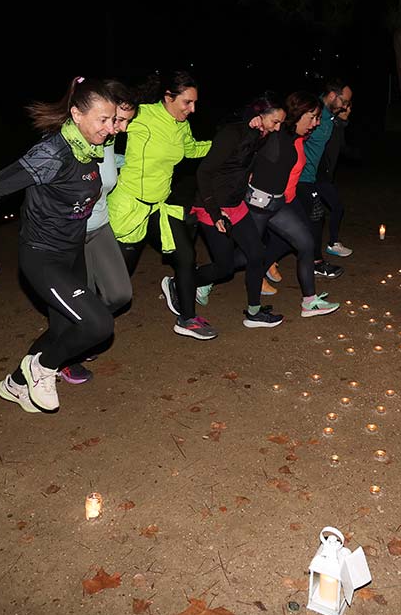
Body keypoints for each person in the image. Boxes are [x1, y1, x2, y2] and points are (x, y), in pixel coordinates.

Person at [0, 77, 116, 413]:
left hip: (72, 253)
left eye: (112, 120)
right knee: (98, 324)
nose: (111, 128)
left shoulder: (90, 148)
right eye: (103, 120)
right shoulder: (53, 153)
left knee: (61, 330)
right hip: (42, 256)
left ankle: (15, 384)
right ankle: (41, 368)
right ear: (76, 115)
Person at [107, 71, 216, 340]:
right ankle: (85, 329)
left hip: (158, 207)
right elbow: (106, 123)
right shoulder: (141, 115)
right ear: (168, 97)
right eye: (187, 102)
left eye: (194, 103)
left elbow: (191, 150)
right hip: (129, 208)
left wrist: (225, 144)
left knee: (186, 257)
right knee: (117, 283)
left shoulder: (181, 125)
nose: (192, 109)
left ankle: (188, 318)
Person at [58, 80, 139, 384]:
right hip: (73, 232)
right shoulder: (73, 142)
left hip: (100, 226)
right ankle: (64, 352)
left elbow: (106, 172)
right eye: (117, 119)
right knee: (82, 296)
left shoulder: (109, 138)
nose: (121, 128)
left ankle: (84, 328)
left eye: (126, 121)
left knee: (120, 294)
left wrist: (123, 161)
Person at [190, 95, 286, 328]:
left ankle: (254, 312)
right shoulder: (231, 134)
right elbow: (203, 173)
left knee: (256, 254)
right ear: (260, 116)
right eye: (275, 121)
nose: (278, 128)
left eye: (281, 123)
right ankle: (183, 282)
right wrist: (215, 214)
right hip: (211, 206)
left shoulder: (260, 135)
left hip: (236, 205)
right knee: (223, 268)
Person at [247, 91, 339, 318]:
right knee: (240, 257)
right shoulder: (272, 133)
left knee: (305, 242)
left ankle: (309, 302)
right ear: (297, 114)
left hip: (280, 204)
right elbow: (246, 142)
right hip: (257, 205)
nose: (316, 123)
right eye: (313, 118)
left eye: (318, 118)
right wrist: (253, 121)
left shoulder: (298, 137)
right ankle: (202, 280)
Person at [296, 79, 353, 278]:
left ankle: (266, 262)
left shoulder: (328, 117)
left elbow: (335, 143)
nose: (346, 106)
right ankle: (316, 262)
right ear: (332, 96)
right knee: (316, 215)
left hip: (313, 177)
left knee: (296, 225)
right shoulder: (313, 111)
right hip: (300, 177)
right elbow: (294, 135)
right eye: (344, 101)